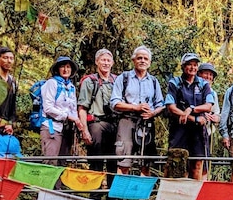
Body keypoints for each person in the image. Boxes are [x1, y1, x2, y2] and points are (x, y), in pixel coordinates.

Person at [109, 46, 165, 182]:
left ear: (149, 62)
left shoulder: (153, 81)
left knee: (145, 163)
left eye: (145, 59)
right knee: (123, 161)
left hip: (146, 124)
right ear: (133, 60)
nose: (142, 61)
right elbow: (114, 103)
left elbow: (161, 104)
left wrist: (152, 113)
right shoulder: (124, 78)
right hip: (127, 121)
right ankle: (120, 199)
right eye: (139, 58)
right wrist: (135, 108)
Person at [165, 53, 215, 181]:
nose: (192, 67)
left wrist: (191, 109)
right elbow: (171, 107)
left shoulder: (204, 84)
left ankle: (194, 199)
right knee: (177, 163)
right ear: (183, 66)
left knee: (197, 165)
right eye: (189, 64)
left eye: (195, 65)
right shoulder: (175, 83)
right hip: (179, 129)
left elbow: (208, 106)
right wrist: (192, 117)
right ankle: (173, 198)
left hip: (198, 132)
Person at [77, 48, 118, 181]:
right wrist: (84, 130)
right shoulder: (90, 81)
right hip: (96, 123)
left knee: (114, 160)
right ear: (97, 62)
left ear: (112, 63)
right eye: (103, 60)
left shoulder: (117, 81)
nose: (106, 63)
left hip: (114, 124)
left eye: (108, 60)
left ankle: (112, 196)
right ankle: (95, 193)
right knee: (96, 160)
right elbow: (82, 107)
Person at [40, 56, 81, 166]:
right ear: (57, 69)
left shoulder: (71, 87)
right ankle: (46, 184)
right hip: (51, 127)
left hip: (67, 129)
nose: (65, 69)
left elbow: (73, 108)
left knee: (62, 162)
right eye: (62, 66)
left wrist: (77, 122)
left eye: (68, 67)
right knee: (50, 161)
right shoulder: (51, 83)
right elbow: (48, 108)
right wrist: (67, 116)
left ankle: (58, 184)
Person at [198, 62, 222, 180]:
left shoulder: (213, 93)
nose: (208, 77)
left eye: (211, 75)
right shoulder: (193, 89)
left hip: (207, 132)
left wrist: (215, 118)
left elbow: (217, 113)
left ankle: (203, 192)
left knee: (206, 163)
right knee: (194, 163)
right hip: (193, 131)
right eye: (206, 74)